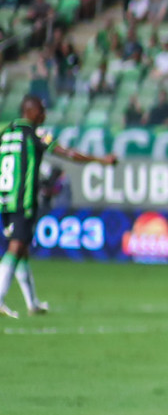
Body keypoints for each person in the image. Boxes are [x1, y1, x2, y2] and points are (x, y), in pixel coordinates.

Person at [0, 95, 118, 318]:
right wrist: (101, 161)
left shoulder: (6, 133)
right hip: (22, 199)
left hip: (4, 198)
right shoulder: (35, 134)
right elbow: (69, 154)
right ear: (31, 111)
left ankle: (32, 303)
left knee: (22, 249)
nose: (44, 115)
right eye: (41, 111)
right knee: (16, 247)